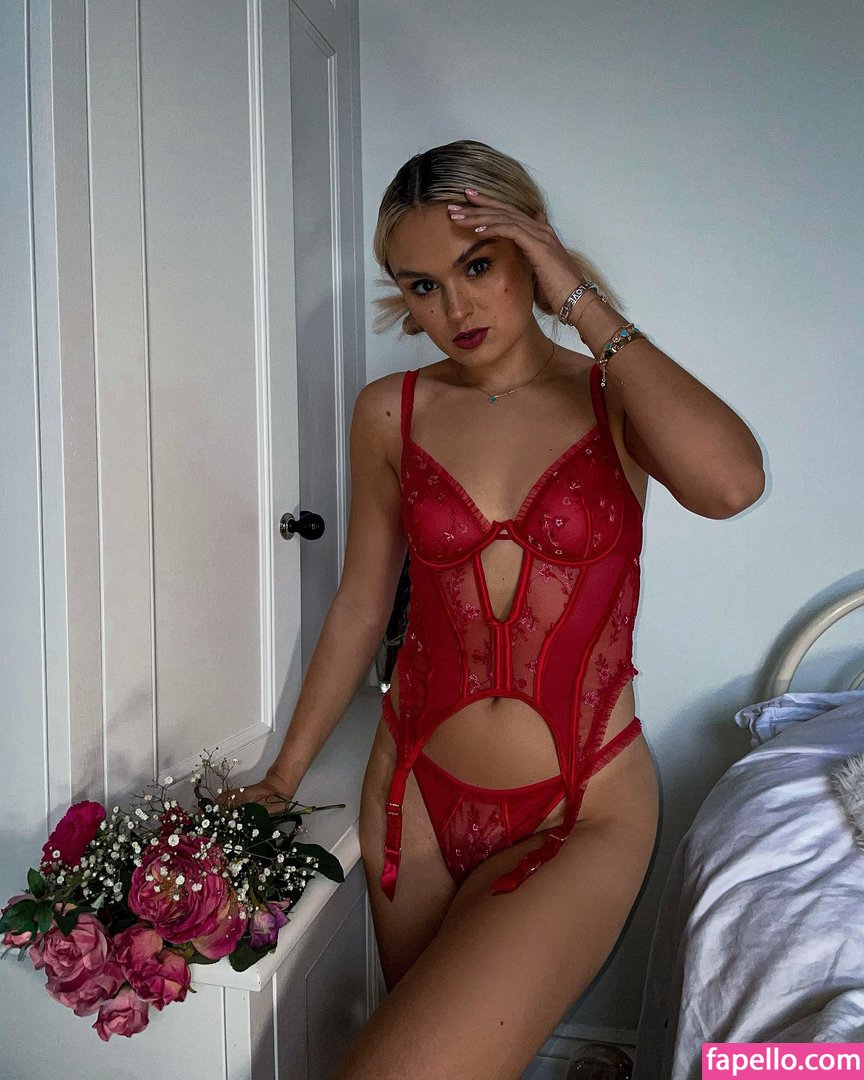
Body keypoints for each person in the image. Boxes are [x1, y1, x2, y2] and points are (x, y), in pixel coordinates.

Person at [228, 139, 765, 1078]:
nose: (456, 308)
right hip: (414, 801)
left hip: (581, 809)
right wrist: (284, 773)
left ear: (530, 248)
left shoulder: (614, 395)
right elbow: (361, 604)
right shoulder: (390, 411)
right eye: (423, 286)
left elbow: (730, 485)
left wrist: (579, 298)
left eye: (478, 265)